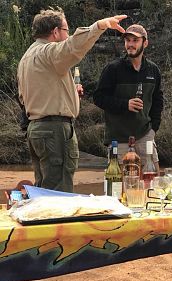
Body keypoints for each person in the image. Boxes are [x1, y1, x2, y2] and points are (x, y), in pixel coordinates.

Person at [17, 8, 127, 192]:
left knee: (44, 189)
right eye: (67, 30)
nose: (68, 35)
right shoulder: (48, 52)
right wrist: (98, 26)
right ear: (55, 32)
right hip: (54, 130)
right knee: (58, 193)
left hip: (36, 129)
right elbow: (73, 46)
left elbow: (25, 97)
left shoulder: (27, 57)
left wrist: (66, 92)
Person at [93, 24, 164, 172]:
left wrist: (153, 129)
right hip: (118, 139)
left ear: (145, 43)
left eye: (135, 40)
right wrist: (125, 104)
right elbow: (98, 98)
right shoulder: (113, 69)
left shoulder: (153, 70)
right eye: (128, 40)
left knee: (152, 183)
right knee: (120, 188)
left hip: (145, 135)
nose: (130, 44)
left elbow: (158, 101)